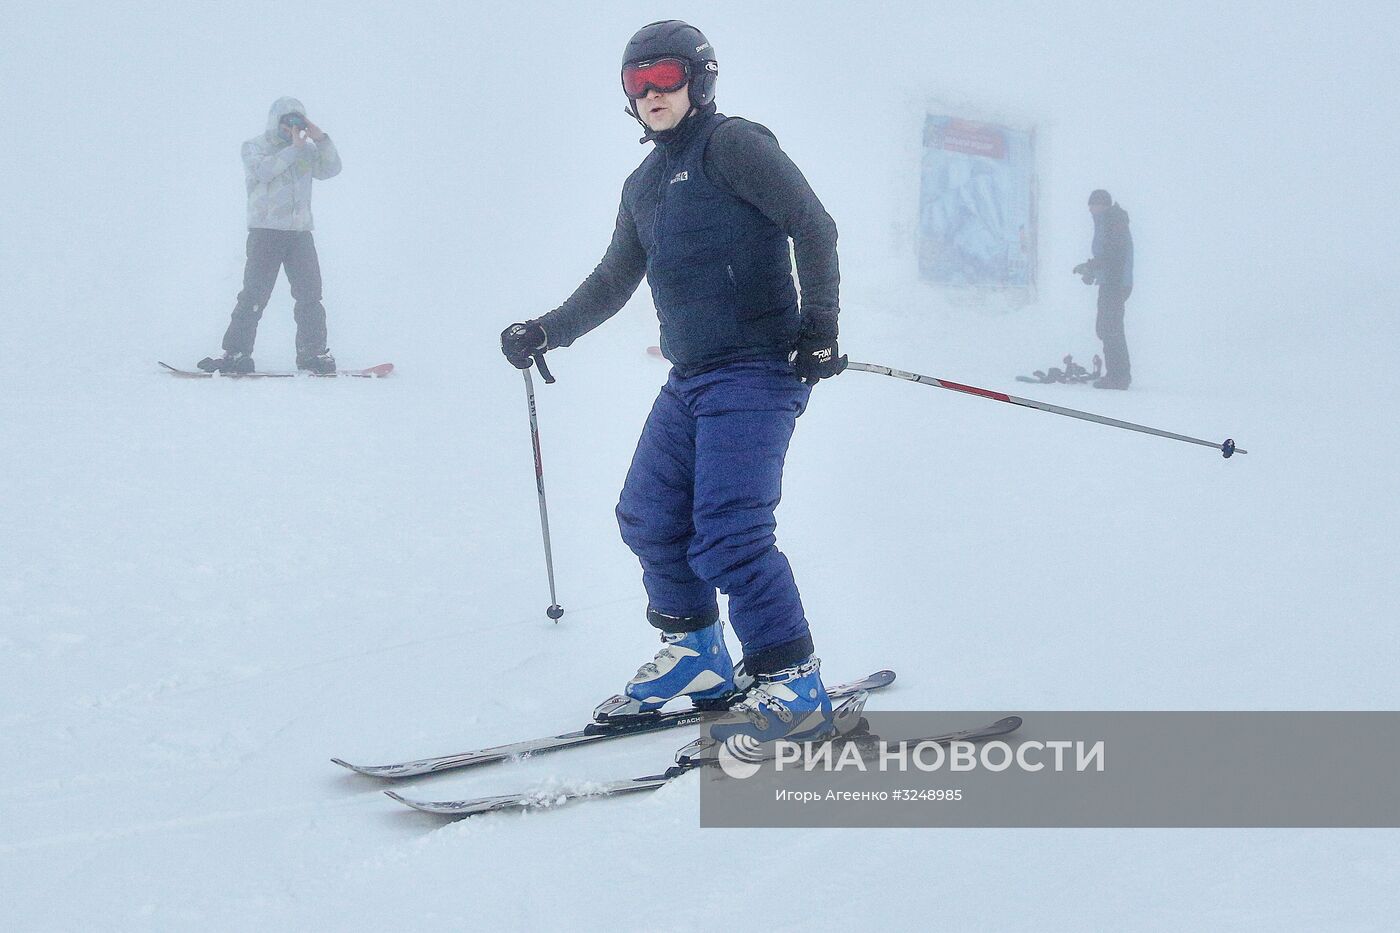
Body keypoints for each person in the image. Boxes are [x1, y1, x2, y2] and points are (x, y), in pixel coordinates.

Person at [500, 20, 845, 744]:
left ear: (700, 78)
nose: (651, 92)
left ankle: (793, 683)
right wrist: (545, 329)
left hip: (756, 369)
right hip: (692, 378)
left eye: (665, 76)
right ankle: (699, 656)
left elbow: (813, 226)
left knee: (730, 532)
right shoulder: (644, 184)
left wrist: (820, 331)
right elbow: (612, 279)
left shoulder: (735, 146)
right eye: (636, 81)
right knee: (649, 515)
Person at [199, 97, 342, 374]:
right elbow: (263, 172)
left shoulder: (308, 151)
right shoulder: (255, 147)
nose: (292, 126)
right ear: (275, 120)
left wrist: (321, 139)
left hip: (300, 233)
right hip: (266, 232)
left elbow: (332, 169)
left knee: (310, 296)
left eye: (297, 120)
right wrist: (293, 149)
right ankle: (236, 353)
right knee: (254, 294)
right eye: (286, 120)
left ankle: (313, 354)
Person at [1073, 189, 1134, 389]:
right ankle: (1117, 375)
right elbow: (1108, 255)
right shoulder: (1107, 221)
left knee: (1111, 329)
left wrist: (1092, 268)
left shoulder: (1113, 221)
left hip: (1115, 283)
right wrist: (1092, 271)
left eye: (1093, 204)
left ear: (1102, 204)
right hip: (1111, 281)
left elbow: (1114, 255)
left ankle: (1119, 377)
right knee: (1107, 328)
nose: (1090, 209)